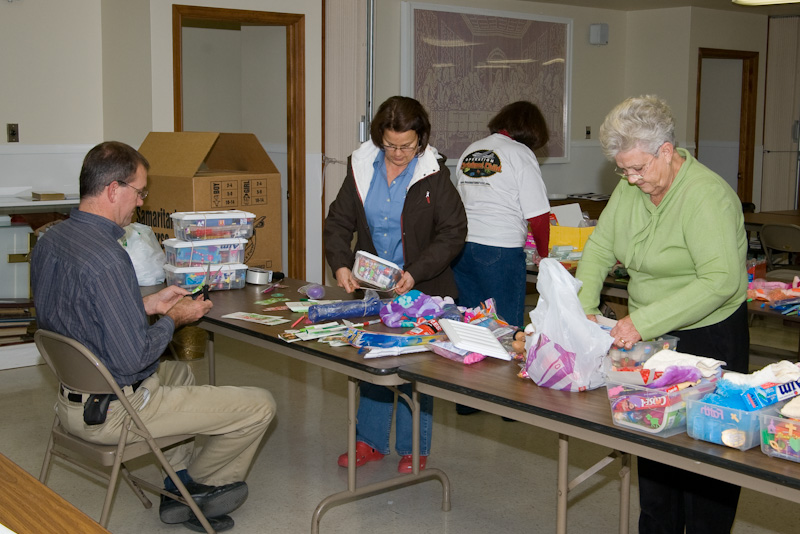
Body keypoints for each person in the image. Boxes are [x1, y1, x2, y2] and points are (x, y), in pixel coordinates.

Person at [31, 141, 276, 533]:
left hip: (71, 400)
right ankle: (196, 492)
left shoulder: (51, 240)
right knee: (260, 405)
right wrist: (175, 318)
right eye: (140, 192)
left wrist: (146, 305)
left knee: (180, 373)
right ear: (113, 190)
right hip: (115, 412)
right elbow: (135, 358)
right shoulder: (109, 258)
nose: (141, 203)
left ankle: (175, 479)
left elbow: (74, 314)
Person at [574, 95, 749, 534]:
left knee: (706, 460)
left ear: (666, 151)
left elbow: (720, 281)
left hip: (708, 336)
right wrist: (584, 309)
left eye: (638, 168)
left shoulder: (706, 196)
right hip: (652, 340)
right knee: (653, 445)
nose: (632, 179)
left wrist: (641, 323)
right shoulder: (632, 189)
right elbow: (600, 247)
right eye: (623, 171)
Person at [324, 96, 467, 473]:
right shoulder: (361, 168)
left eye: (407, 146)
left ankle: (412, 448)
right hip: (376, 288)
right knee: (373, 360)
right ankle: (368, 442)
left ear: (421, 138)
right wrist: (341, 264)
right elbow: (338, 222)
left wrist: (415, 272)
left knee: (415, 368)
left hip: (423, 287)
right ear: (379, 138)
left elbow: (453, 233)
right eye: (391, 145)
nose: (400, 154)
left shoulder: (434, 173)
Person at [452, 100, 551, 330]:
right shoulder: (520, 153)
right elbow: (538, 215)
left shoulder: (472, 150)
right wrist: (543, 254)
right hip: (500, 248)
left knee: (469, 324)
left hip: (462, 247)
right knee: (505, 327)